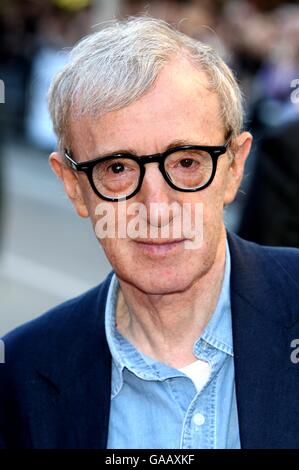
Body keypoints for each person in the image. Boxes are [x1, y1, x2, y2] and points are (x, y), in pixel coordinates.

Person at [0, 17, 299, 450]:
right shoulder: (19, 377)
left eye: (187, 163)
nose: (156, 209)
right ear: (72, 186)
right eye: (117, 169)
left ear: (234, 167)